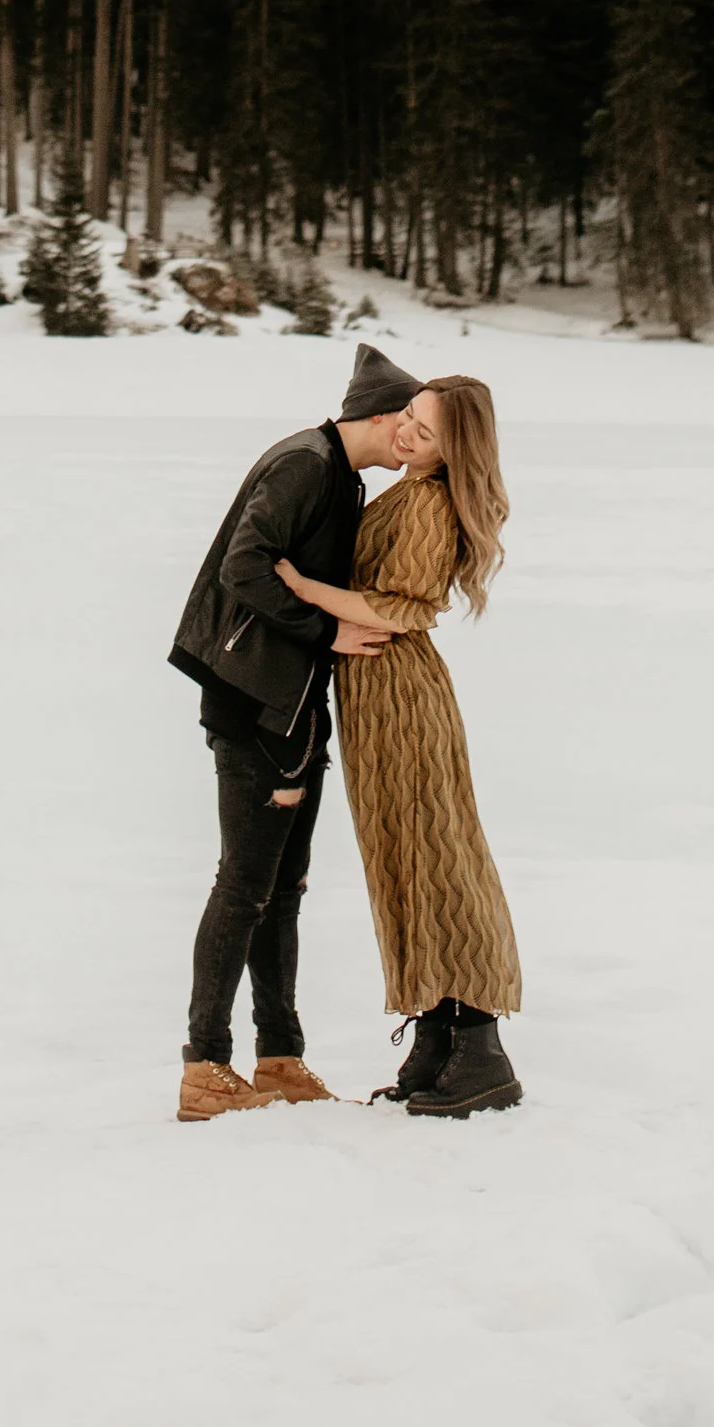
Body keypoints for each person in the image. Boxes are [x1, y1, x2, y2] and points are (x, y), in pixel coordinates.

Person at [164, 343, 423, 1120]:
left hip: (289, 707)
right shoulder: (306, 466)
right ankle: (205, 1067)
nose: (412, 437)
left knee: (283, 890)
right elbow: (243, 569)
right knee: (246, 885)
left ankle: (279, 1058)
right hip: (254, 703)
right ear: (377, 417)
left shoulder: (336, 474)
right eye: (407, 421)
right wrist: (324, 632)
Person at [274, 372, 523, 1117]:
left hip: (401, 691)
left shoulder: (427, 503)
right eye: (409, 415)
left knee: (439, 855)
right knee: (404, 857)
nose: (409, 432)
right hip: (375, 696)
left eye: (430, 430)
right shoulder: (409, 489)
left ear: (457, 449)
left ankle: (479, 1046)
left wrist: (299, 586)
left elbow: (396, 610)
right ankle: (439, 1038)